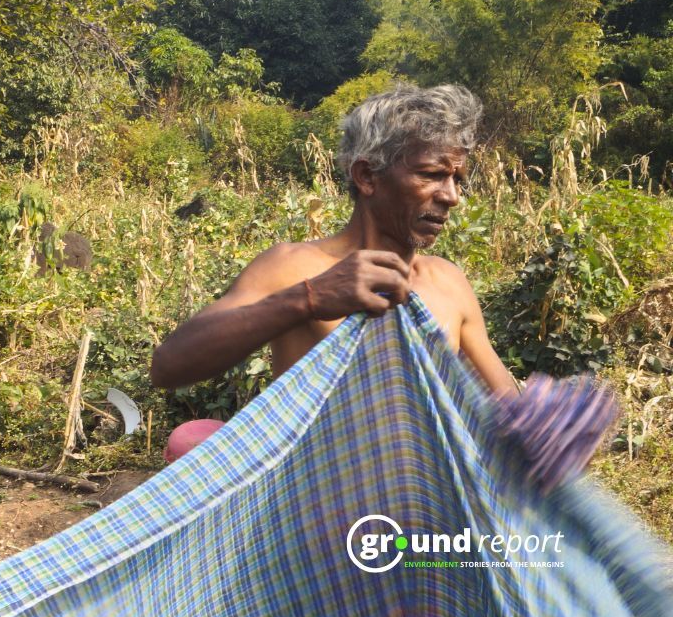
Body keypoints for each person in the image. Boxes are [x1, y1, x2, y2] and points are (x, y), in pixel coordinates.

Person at [150, 84, 518, 398]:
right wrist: (308, 299)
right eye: (432, 174)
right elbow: (169, 366)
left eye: (458, 180)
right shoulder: (295, 268)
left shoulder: (447, 282)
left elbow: (511, 411)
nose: (451, 196)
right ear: (366, 176)